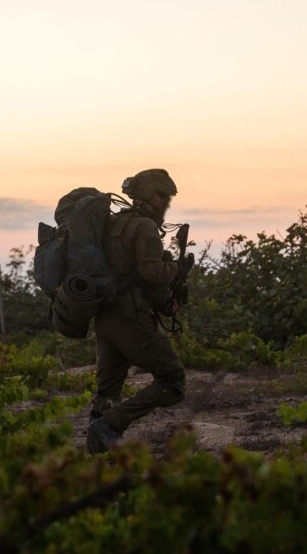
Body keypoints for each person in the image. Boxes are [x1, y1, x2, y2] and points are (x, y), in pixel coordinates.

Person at [86, 169, 189, 453]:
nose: (167, 204)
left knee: (107, 392)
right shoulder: (144, 227)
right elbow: (151, 271)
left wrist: (166, 303)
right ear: (153, 196)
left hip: (105, 317)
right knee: (173, 381)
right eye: (165, 198)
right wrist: (175, 269)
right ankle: (108, 427)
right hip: (129, 318)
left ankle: (96, 455)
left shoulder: (114, 223)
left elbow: (133, 274)